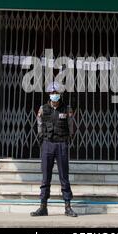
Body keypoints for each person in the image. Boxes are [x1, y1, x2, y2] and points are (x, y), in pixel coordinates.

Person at [30, 82, 78, 217]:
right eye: (52, 93)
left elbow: (70, 126)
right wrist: (42, 139)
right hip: (48, 144)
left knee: (64, 176)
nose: (54, 96)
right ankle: (43, 207)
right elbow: (39, 124)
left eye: (56, 93)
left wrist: (67, 140)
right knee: (46, 177)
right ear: (49, 95)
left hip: (62, 144)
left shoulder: (66, 109)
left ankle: (68, 207)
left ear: (60, 95)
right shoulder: (43, 109)